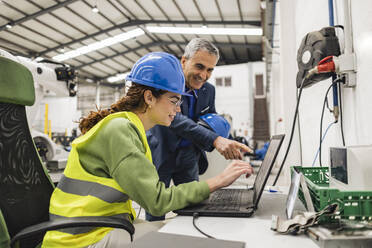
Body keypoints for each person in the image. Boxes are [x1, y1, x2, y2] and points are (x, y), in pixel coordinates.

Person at [41, 52, 253, 248]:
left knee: (185, 233)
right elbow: (157, 202)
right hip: (82, 239)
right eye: (174, 100)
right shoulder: (120, 129)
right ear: (149, 97)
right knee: (188, 239)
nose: (178, 110)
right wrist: (219, 181)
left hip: (98, 227)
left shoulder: (127, 127)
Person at [146, 38, 252, 221]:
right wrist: (215, 140)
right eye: (199, 66)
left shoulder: (208, 90)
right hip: (161, 153)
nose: (203, 75)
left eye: (210, 70)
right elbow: (175, 121)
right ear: (184, 61)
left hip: (189, 155)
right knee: (156, 208)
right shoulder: (166, 85)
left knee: (193, 205)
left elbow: (211, 117)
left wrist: (230, 141)